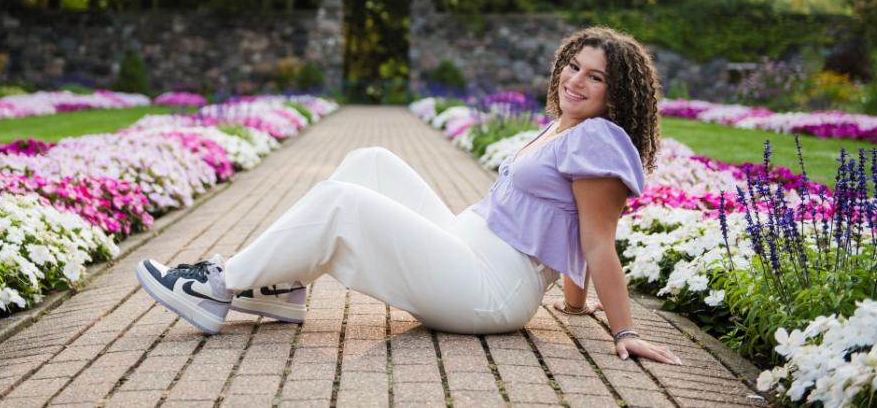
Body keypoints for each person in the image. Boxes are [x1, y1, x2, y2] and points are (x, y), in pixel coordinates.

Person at [135, 27, 682, 365]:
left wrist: (624, 330)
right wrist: (572, 303)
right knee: (370, 163)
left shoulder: (599, 139)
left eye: (596, 78)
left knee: (341, 204)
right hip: (468, 244)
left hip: (490, 286)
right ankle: (280, 288)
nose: (577, 81)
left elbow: (596, 238)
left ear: (616, 97)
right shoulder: (563, 127)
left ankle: (219, 286)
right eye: (573, 66)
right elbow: (564, 222)